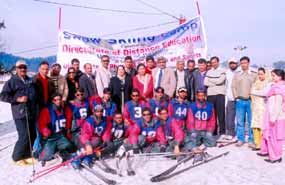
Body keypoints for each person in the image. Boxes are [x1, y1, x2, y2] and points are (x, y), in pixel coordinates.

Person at [0, 60, 37, 166]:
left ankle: (27, 155)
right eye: (20, 67)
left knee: (32, 134)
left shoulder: (30, 80)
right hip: (19, 113)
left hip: (30, 112)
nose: (23, 69)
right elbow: (3, 96)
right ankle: (16, 157)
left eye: (24, 67)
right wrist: (18, 99)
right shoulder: (12, 81)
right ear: (16, 69)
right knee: (24, 135)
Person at [258, 69, 285, 163]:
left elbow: (278, 105)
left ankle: (275, 156)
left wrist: (273, 118)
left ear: (280, 76)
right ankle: (271, 153)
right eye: (272, 75)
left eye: (274, 76)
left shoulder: (279, 89)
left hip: (276, 117)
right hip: (274, 115)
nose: (272, 77)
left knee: (275, 137)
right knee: (272, 136)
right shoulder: (276, 87)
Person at [38, 94, 73, 166]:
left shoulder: (65, 109)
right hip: (51, 137)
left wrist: (68, 130)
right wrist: (45, 131)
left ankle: (60, 151)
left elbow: (69, 118)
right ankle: (43, 152)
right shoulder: (47, 111)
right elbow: (41, 124)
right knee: (46, 156)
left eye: (59, 99)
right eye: (56, 100)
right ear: (52, 101)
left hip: (60, 135)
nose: (58, 101)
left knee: (69, 146)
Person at [232, 56, 257, 147]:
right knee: (240, 121)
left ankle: (251, 139)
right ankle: (240, 139)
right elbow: (233, 86)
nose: (243, 65)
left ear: (248, 63)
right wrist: (236, 97)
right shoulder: (237, 74)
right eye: (241, 63)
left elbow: (257, 86)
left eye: (245, 63)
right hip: (240, 101)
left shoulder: (254, 74)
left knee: (251, 121)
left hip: (251, 101)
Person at [204, 56, 226, 137]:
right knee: (212, 114)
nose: (213, 64)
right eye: (212, 62)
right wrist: (215, 82)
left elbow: (220, 81)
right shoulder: (209, 71)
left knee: (221, 114)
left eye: (215, 62)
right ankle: (214, 131)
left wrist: (211, 80)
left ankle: (222, 132)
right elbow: (205, 83)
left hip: (220, 94)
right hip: (210, 95)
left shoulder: (223, 70)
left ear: (218, 62)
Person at [250, 68, 271, 150]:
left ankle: (264, 145)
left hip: (263, 108)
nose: (260, 76)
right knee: (255, 126)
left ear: (266, 74)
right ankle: (257, 144)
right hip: (255, 108)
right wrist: (255, 92)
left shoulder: (269, 84)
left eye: (262, 74)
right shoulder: (256, 83)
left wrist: (254, 92)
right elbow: (252, 91)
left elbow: (265, 93)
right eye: (258, 74)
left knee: (262, 126)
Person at [225, 58, 239, 140]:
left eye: (234, 63)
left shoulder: (240, 72)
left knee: (240, 118)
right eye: (231, 63)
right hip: (230, 97)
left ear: (237, 64)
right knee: (230, 117)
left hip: (240, 98)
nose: (232, 65)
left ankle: (239, 134)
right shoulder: (227, 73)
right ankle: (230, 133)